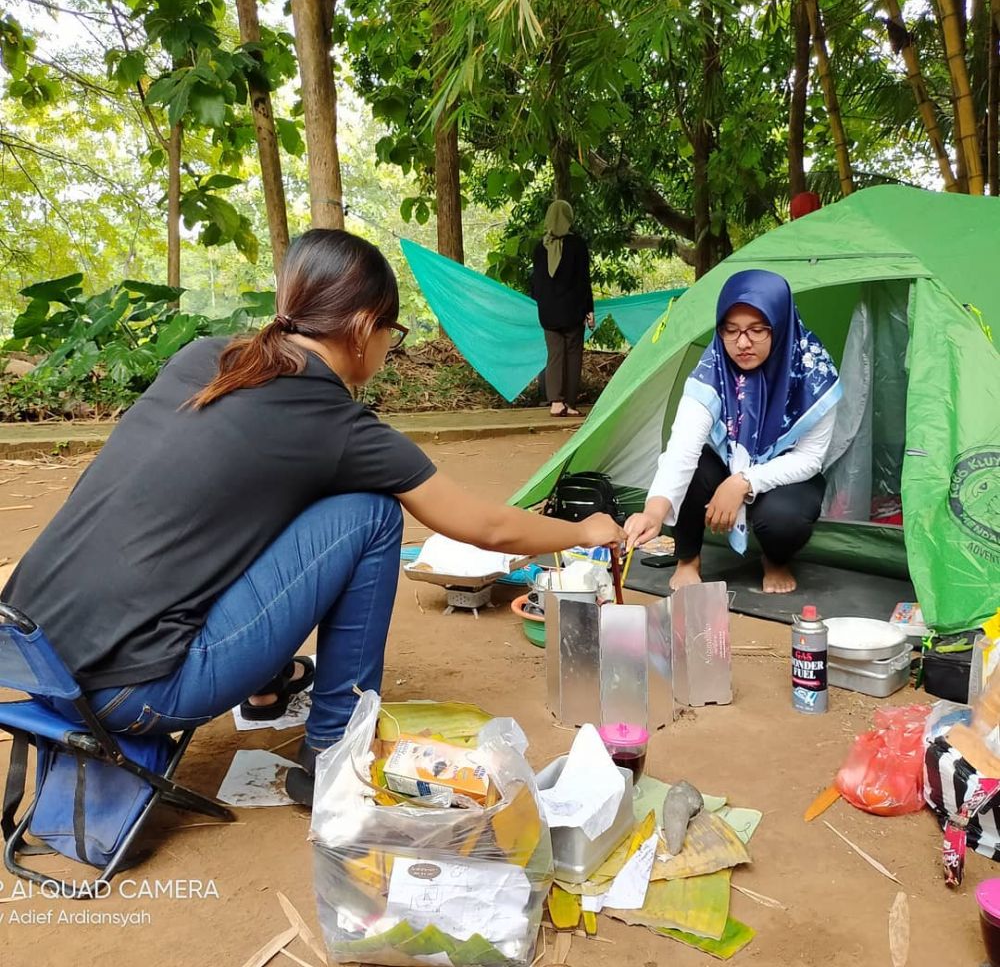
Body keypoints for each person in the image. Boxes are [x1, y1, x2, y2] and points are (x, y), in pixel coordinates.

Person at [1, 229, 623, 805]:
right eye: (391, 331)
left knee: (270, 499)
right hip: (135, 693)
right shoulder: (335, 424)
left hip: (37, 660)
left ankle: (267, 687)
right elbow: (483, 526)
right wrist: (583, 531)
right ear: (360, 327)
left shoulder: (207, 361)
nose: (388, 347)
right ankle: (333, 747)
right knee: (372, 515)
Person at [623, 270, 842, 594]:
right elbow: (682, 448)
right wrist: (652, 512)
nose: (742, 343)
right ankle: (688, 560)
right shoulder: (712, 371)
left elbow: (809, 458)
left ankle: (775, 560)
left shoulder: (814, 374)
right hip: (725, 461)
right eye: (731, 330)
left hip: (786, 471)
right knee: (693, 471)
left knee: (784, 519)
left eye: (757, 330)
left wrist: (742, 482)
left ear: (780, 326)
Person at [530, 199, 595, 417]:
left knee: (555, 355)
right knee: (573, 353)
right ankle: (570, 403)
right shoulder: (577, 245)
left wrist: (544, 303)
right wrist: (589, 309)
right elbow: (584, 281)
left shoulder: (540, 247)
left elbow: (535, 284)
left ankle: (555, 402)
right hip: (573, 311)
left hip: (548, 313)